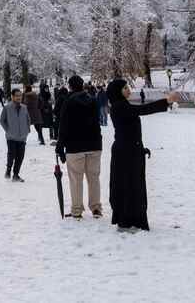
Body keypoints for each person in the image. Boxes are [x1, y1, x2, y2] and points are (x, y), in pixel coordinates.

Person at [106, 79, 180, 232]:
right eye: (125, 88)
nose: (128, 90)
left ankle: (132, 218)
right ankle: (127, 219)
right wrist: (166, 101)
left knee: (132, 185)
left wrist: (140, 148)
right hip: (125, 153)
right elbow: (142, 110)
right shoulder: (119, 107)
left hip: (130, 151)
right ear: (117, 91)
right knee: (128, 185)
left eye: (128, 87)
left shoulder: (122, 105)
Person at [57, 75, 103, 218]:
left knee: (76, 179)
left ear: (70, 86)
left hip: (75, 146)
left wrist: (60, 146)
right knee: (94, 178)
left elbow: (63, 125)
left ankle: (77, 210)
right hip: (94, 144)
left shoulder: (68, 102)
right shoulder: (93, 100)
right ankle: (96, 207)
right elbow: (97, 121)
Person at [0, 88, 30, 181]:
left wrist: (27, 130)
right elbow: (2, 120)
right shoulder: (7, 107)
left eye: (20, 95)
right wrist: (8, 130)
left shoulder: (24, 107)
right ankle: (8, 170)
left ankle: (16, 175)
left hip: (22, 137)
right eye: (16, 96)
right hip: (11, 137)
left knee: (20, 157)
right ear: (12, 97)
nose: (19, 97)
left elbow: (28, 119)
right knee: (11, 154)